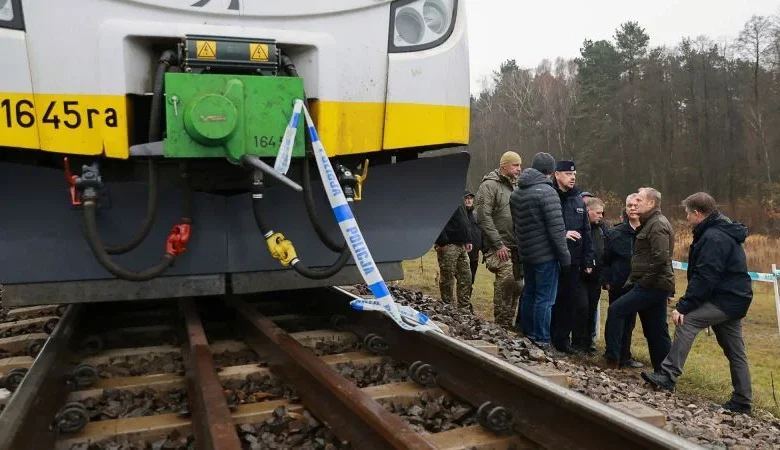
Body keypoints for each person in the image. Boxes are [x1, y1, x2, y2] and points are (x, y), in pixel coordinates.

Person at [642, 192, 753, 414]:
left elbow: (706, 277)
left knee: (687, 321)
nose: (686, 218)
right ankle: (742, 401)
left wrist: (683, 306)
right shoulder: (719, 230)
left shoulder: (714, 237)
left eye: (687, 213)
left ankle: (667, 375)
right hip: (734, 297)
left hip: (725, 298)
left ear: (697, 213)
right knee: (735, 351)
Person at [604, 187, 674, 371]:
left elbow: (661, 258)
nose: (635, 203)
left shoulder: (657, 224)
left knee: (616, 310)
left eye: (639, 200)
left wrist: (643, 281)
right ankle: (663, 372)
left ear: (651, 203)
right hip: (653, 284)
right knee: (655, 330)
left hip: (652, 285)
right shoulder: (649, 222)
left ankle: (612, 361)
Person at [510, 152, 570, 350]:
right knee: (545, 299)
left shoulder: (517, 193)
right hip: (546, 255)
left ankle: (527, 332)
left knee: (529, 293)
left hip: (527, 253)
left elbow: (516, 226)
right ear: (551, 171)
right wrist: (565, 258)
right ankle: (542, 339)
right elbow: (557, 230)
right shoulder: (548, 193)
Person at [475, 151, 524, 327]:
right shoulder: (489, 186)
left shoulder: (518, 187)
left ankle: (508, 324)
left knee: (518, 285)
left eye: (520, 165)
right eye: (515, 165)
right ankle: (501, 325)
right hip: (498, 246)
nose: (519, 169)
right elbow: (483, 217)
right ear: (504, 166)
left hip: (516, 247)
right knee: (506, 281)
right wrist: (497, 244)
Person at [550, 160, 594, 354]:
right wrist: (562, 234)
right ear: (557, 174)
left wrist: (588, 258)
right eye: (568, 174)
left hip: (574, 261)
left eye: (574, 174)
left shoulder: (578, 199)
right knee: (551, 300)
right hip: (553, 258)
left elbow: (586, 231)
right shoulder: (550, 195)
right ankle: (546, 336)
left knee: (569, 301)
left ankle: (562, 340)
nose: (572, 177)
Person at [600, 194, 644, 369]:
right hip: (618, 283)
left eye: (635, 205)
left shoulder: (649, 231)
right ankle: (612, 355)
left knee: (630, 322)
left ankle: (625, 356)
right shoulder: (615, 233)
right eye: (629, 205)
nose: (632, 208)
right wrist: (606, 280)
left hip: (639, 285)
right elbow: (605, 259)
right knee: (615, 319)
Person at [576, 195, 607, 354]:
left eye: (602, 213)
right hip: (580, 275)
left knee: (592, 309)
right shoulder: (579, 227)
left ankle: (589, 343)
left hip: (597, 276)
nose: (601, 216)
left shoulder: (601, 229)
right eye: (598, 213)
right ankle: (578, 342)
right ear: (588, 211)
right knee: (582, 308)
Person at [434, 198, 473, 309]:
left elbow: (464, 219)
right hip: (448, 244)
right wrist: (441, 241)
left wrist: (468, 239)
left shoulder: (459, 196)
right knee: (447, 277)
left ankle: (464, 307)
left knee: (466, 277)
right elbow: (436, 217)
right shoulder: (442, 196)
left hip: (461, 244)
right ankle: (448, 307)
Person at [463, 190, 483, 287]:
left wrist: (483, 248)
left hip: (474, 254)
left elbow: (481, 232)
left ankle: (468, 296)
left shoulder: (476, 215)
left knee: (471, 279)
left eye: (470, 198)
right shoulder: (459, 215)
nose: (469, 200)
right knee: (462, 279)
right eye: (466, 198)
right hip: (462, 252)